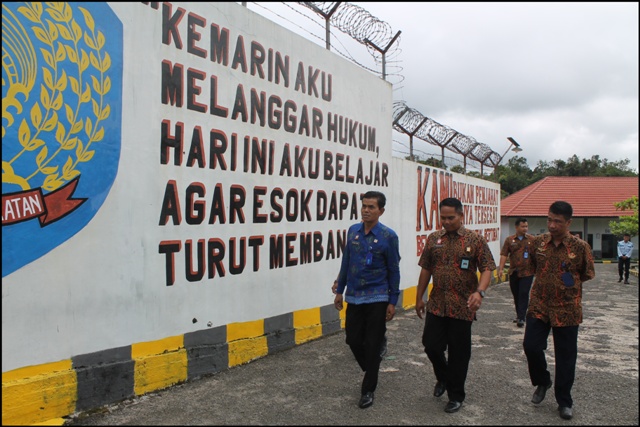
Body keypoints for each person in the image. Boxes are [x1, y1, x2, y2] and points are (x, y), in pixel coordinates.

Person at [415, 197, 496, 414]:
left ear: (461, 215)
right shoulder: (433, 239)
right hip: (437, 303)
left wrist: (480, 292)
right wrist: (419, 297)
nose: (447, 222)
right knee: (431, 345)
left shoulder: (475, 240)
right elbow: (426, 268)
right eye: (443, 217)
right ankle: (443, 378)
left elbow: (487, 267)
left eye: (451, 217)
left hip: (462, 306)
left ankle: (456, 395)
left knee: (459, 353)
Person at [523, 201, 595, 421]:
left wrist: (565, 286)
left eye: (558, 221)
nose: (552, 225)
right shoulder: (538, 243)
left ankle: (564, 401)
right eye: (549, 219)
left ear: (568, 222)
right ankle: (542, 381)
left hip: (567, 308)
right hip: (539, 305)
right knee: (531, 346)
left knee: (566, 357)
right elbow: (532, 266)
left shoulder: (580, 247)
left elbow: (586, 273)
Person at [333, 190, 400, 409]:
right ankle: (373, 363)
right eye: (364, 206)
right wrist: (339, 289)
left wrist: (392, 301)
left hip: (378, 296)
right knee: (352, 339)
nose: (366, 210)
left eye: (371, 207)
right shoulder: (353, 231)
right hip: (354, 295)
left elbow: (393, 269)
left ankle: (368, 389)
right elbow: (346, 262)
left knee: (371, 344)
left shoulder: (389, 237)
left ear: (381, 210)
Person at [498, 218, 535, 328]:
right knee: (516, 294)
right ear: (516, 227)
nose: (525, 229)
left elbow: (536, 255)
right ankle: (519, 314)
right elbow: (504, 254)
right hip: (514, 271)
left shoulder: (532, 240)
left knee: (524, 293)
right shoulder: (510, 240)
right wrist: (500, 268)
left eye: (526, 226)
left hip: (527, 272)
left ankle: (521, 318)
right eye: (523, 226)